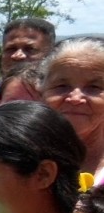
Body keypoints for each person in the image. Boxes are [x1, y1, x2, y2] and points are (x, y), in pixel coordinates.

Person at [41, 36, 104, 184]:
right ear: (41, 91)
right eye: (61, 86)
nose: (75, 98)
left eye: (94, 87)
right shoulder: (15, 158)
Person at [0, 18, 55, 98]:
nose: (18, 55)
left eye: (30, 49)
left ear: (51, 54)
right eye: (11, 49)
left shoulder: (65, 101)